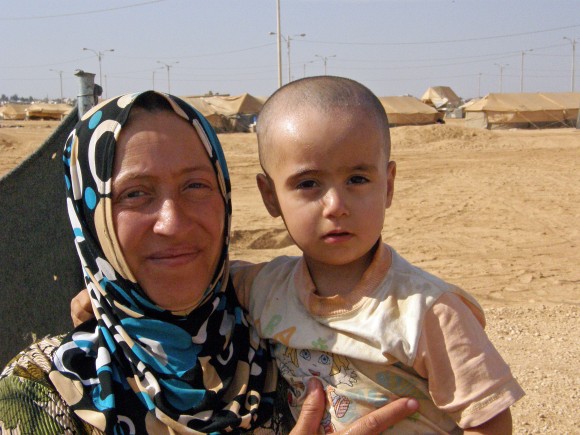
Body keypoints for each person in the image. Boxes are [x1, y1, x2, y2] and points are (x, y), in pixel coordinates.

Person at [0, 90, 418, 434]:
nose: (174, 223)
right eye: (135, 194)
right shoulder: (43, 389)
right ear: (91, 219)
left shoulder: (286, 339)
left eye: (196, 185)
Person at [229, 76, 524, 433]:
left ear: (388, 184)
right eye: (308, 184)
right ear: (270, 197)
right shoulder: (263, 287)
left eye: (357, 179)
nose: (335, 206)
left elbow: (490, 421)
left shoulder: (428, 311)